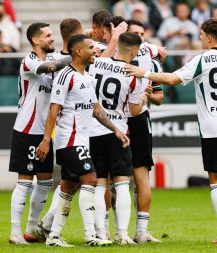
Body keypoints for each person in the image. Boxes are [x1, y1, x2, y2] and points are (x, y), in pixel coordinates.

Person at [124, 18, 217, 244]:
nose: (199, 39)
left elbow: (172, 78)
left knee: (216, 180)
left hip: (213, 127)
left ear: (209, 37)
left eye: (201, 35)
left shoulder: (201, 60)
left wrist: (143, 73)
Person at [36, 34, 129, 247]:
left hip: (81, 140)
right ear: (78, 51)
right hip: (68, 140)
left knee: (69, 186)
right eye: (90, 47)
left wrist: (115, 129)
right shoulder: (65, 76)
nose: (95, 51)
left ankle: (53, 236)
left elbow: (96, 110)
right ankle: (90, 235)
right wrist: (46, 140)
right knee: (90, 178)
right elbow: (54, 109)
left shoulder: (87, 77)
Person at [8, 22, 71, 245]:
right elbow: (52, 67)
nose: (51, 39)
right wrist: (76, 54)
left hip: (45, 132)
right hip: (26, 129)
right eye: (47, 36)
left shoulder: (48, 63)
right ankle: (15, 232)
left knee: (44, 182)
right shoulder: (30, 61)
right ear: (35, 40)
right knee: (24, 182)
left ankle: (31, 229)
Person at [88, 32, 148, 245]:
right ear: (133, 52)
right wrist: (143, 98)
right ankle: (121, 234)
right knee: (122, 183)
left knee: (100, 183)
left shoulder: (97, 64)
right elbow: (133, 111)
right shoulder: (133, 75)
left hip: (93, 131)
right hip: (117, 131)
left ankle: (100, 232)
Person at [31, 18, 85, 242]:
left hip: (71, 128)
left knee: (75, 180)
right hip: (64, 129)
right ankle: (42, 229)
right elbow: (55, 103)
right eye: (47, 35)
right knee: (84, 179)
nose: (51, 38)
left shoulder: (68, 57)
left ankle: (44, 226)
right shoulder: (63, 63)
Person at [127, 19, 164, 244]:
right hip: (118, 121)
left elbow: (159, 98)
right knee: (114, 179)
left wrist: (148, 93)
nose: (141, 37)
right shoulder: (112, 59)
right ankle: (109, 230)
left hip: (140, 120)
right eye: (135, 33)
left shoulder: (152, 63)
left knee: (141, 178)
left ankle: (141, 231)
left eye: (143, 33)